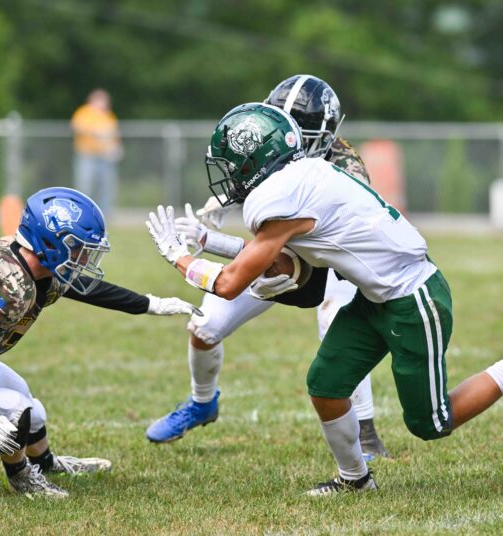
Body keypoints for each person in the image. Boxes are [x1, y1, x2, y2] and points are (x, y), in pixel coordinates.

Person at [146, 103, 503, 495]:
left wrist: (177, 257)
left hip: (412, 297)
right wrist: (209, 241)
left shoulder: (278, 198)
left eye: (233, 164)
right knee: (326, 384)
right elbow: (282, 262)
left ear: (257, 161)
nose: (229, 174)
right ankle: (356, 479)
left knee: (431, 423)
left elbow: (230, 283)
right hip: (375, 296)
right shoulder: (302, 175)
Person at [145, 75, 389, 460]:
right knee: (205, 326)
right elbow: (270, 244)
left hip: (332, 258)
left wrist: (209, 242)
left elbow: (293, 254)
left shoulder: (344, 169)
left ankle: (366, 430)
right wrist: (221, 207)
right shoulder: (268, 140)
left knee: (335, 321)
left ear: (324, 137)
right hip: (276, 252)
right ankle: (202, 402)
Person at [0, 187, 198, 498]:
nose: (84, 256)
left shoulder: (34, 261)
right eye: (78, 247)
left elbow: (86, 288)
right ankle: (20, 478)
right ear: (50, 242)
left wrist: (150, 304)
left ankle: (44, 463)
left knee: (33, 410)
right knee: (16, 408)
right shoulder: (4, 282)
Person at [71, 89, 123, 217]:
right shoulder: (84, 112)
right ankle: (82, 213)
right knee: (85, 186)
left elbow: (114, 135)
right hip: (88, 156)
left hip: (105, 157)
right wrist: (95, 132)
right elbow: (76, 126)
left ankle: (104, 215)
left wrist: (117, 148)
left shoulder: (109, 115)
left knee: (106, 188)